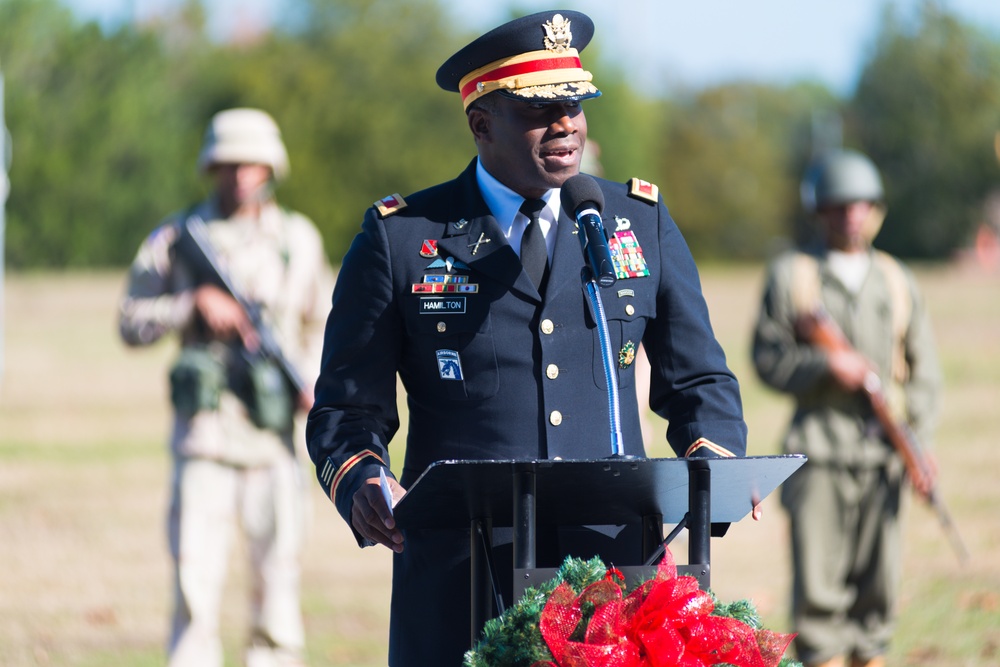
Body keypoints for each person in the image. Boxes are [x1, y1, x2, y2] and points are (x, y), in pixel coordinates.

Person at [306, 10, 748, 666]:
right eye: (541, 111)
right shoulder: (402, 239)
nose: (566, 123)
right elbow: (346, 411)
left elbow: (700, 382)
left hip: (613, 580)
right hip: (464, 581)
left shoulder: (636, 223)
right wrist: (362, 477)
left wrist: (713, 460)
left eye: (575, 104)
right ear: (481, 123)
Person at [119, 108, 334, 667]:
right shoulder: (178, 237)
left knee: (278, 588)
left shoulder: (298, 238)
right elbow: (129, 320)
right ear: (211, 166)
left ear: (271, 166)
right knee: (195, 584)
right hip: (205, 437)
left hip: (274, 438)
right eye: (229, 162)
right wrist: (190, 304)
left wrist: (311, 380)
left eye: (252, 162)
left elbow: (321, 326)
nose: (241, 174)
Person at [751, 149, 942, 667]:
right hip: (819, 455)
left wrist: (915, 439)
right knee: (818, 590)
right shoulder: (794, 276)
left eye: (861, 205)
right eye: (838, 206)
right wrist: (825, 367)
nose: (851, 216)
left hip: (883, 460)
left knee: (879, 588)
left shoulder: (897, 281)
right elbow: (766, 358)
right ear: (820, 210)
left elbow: (926, 374)